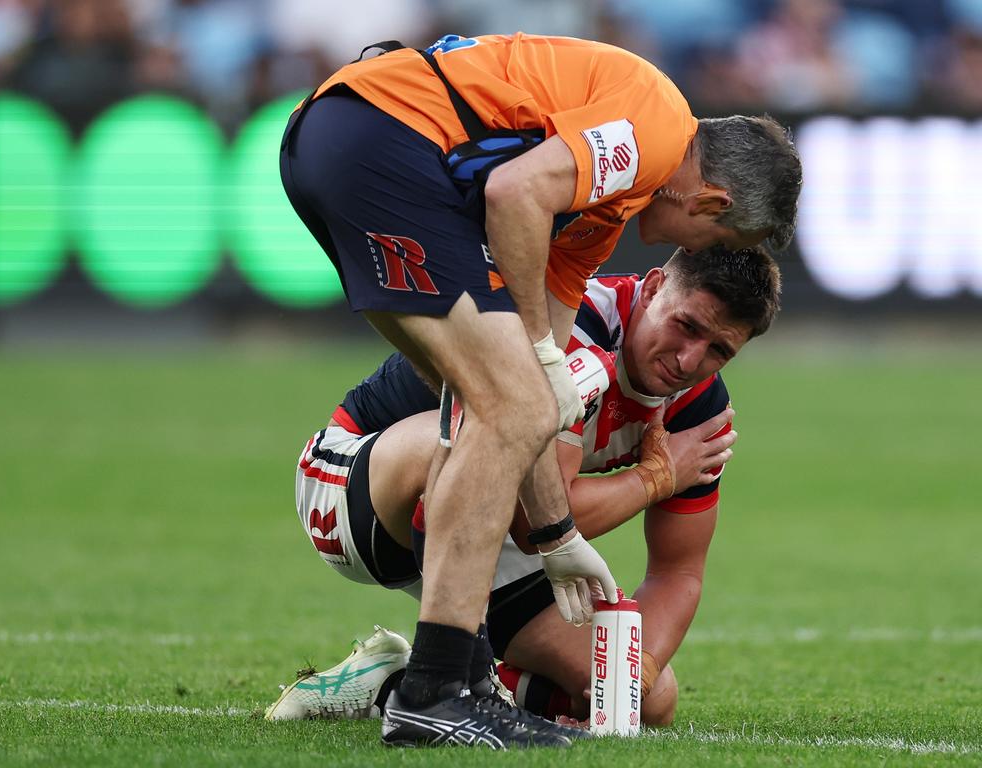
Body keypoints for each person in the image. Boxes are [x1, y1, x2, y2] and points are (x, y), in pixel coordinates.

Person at [279, 31, 800, 748]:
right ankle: (437, 692)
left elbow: (538, 344)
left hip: (359, 136)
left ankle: (430, 682)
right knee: (510, 401)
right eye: (712, 244)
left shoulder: (600, 211)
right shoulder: (658, 125)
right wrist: (576, 407)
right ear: (710, 202)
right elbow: (512, 189)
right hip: (381, 138)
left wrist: (557, 537)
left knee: (501, 404)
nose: (691, 359)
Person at [267, 245, 781, 729]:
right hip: (354, 489)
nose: (690, 361)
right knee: (474, 443)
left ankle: (391, 681)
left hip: (483, 524)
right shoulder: (574, 325)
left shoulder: (698, 409)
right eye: (686, 326)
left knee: (650, 699)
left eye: (718, 350)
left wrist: (635, 674)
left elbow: (679, 571)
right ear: (651, 288)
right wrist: (656, 478)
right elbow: (534, 518)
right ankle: (450, 684)